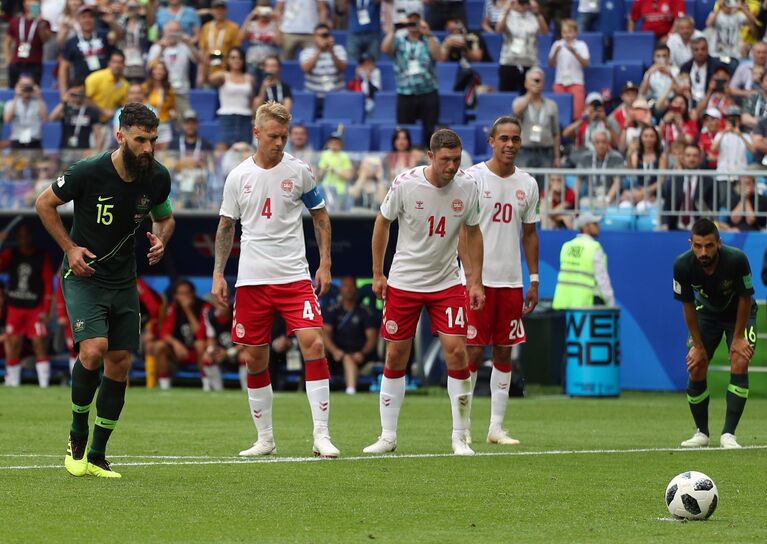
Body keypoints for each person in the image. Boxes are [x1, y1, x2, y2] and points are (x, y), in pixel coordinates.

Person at [35, 102, 175, 478]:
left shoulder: (157, 177)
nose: (148, 148)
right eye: (140, 139)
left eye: (153, 140)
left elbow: (166, 217)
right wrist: (69, 248)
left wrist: (161, 239)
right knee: (94, 350)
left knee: (120, 363)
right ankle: (77, 433)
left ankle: (97, 455)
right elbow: (44, 203)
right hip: (83, 276)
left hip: (123, 279)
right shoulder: (89, 171)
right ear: (120, 136)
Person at [211, 101, 339, 458]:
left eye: (284, 136)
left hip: (294, 277)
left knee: (313, 343)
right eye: (273, 136)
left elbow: (321, 217)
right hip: (252, 281)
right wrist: (219, 274)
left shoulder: (299, 171)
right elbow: (226, 226)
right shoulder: (238, 176)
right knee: (254, 358)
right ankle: (265, 439)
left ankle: (321, 436)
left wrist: (324, 262)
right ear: (256, 133)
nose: (279, 143)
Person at [363, 128, 485, 456]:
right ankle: (388, 436)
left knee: (457, 352)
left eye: (456, 160)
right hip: (404, 282)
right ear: (430, 156)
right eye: (445, 159)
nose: (451, 166)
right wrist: (378, 273)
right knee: (395, 355)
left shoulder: (468, 187)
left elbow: (473, 233)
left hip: (446, 282)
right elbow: (381, 223)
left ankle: (460, 436)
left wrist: (474, 280)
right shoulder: (406, 184)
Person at [459, 117, 538, 446]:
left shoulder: (528, 184)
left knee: (504, 352)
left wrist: (533, 279)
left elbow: (530, 234)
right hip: (478, 281)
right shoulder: (473, 178)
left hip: (510, 281)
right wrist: (470, 276)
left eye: (515, 139)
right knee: (473, 352)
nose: (510, 144)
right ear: (491, 141)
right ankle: (461, 426)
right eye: (503, 138)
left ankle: (496, 427)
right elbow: (463, 230)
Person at [673, 218, 756, 449]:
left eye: (709, 245)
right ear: (691, 243)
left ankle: (728, 434)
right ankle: (702, 433)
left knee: (739, 360)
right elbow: (688, 305)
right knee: (696, 365)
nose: (703, 252)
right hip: (707, 314)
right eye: (698, 246)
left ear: (719, 243)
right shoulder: (682, 265)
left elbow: (745, 298)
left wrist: (738, 337)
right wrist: (698, 347)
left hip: (740, 313)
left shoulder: (737, 259)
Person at [0, 222, 54, 388]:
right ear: (16, 237)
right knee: (13, 344)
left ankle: (44, 385)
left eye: (26, 235)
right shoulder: (11, 254)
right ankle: (13, 384)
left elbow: (47, 284)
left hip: (34, 308)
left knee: (38, 344)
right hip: (15, 307)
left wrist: (45, 310)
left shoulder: (41, 256)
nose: (23, 239)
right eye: (20, 235)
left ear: (31, 236)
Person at [381, 11, 441, 146]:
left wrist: (428, 34)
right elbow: (385, 49)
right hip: (405, 93)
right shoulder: (399, 40)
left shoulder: (430, 39)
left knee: (430, 131)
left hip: (428, 91)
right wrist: (393, 31)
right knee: (404, 130)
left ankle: (429, 159)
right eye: (410, 21)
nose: (413, 24)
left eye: (416, 21)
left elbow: (439, 56)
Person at [323, 276, 378, 394]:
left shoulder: (365, 312)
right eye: (346, 286)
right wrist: (334, 351)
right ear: (340, 289)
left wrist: (362, 353)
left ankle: (351, 390)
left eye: (351, 286)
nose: (349, 289)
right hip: (336, 354)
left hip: (359, 354)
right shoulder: (332, 310)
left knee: (349, 358)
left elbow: (372, 338)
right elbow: (325, 335)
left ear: (356, 289)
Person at [153, 279, 209, 390]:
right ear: (175, 296)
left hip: (199, 352)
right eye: (181, 294)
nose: (185, 297)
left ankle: (207, 385)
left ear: (193, 293)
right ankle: (165, 387)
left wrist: (188, 310)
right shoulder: (173, 308)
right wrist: (176, 344)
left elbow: (201, 334)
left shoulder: (204, 307)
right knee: (159, 346)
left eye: (188, 293)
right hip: (180, 352)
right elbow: (164, 333)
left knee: (200, 344)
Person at [551, 212, 615, 309]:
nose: (598, 227)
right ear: (586, 227)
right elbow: (602, 279)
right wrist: (611, 303)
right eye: (594, 224)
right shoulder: (594, 247)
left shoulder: (566, 246)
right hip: (585, 304)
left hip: (563, 303)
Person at [58, 5, 121, 99]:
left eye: (90, 16)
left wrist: (112, 22)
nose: (87, 20)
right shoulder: (72, 42)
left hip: (104, 87)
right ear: (78, 20)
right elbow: (63, 69)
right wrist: (63, 94)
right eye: (83, 17)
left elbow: (118, 36)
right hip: (82, 88)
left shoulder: (103, 35)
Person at [147, 19, 200, 124]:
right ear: (164, 32)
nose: (173, 33)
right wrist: (161, 49)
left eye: (176, 30)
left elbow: (198, 60)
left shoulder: (185, 46)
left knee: (184, 122)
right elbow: (150, 68)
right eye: (170, 30)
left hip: (181, 91)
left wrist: (190, 44)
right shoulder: (157, 47)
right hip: (162, 91)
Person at [512, 68, 561, 169]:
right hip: (524, 151)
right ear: (526, 83)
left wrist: (557, 157)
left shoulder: (552, 105)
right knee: (523, 184)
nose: (536, 83)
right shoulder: (518, 101)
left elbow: (556, 133)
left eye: (539, 80)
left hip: (546, 152)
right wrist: (531, 93)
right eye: (533, 80)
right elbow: (517, 112)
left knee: (544, 184)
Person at [209, 47, 256, 151]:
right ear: (228, 60)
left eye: (239, 58)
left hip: (245, 118)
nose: (236, 60)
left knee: (245, 152)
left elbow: (251, 101)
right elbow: (210, 79)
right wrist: (218, 64)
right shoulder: (223, 76)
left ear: (243, 60)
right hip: (226, 118)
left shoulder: (249, 78)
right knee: (222, 150)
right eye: (233, 57)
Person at [496, 0, 548, 93]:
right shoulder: (507, 15)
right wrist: (506, 11)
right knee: (506, 95)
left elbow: (545, 32)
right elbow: (498, 30)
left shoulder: (533, 16)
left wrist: (537, 13)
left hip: (529, 62)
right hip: (509, 61)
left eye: (525, 3)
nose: (523, 5)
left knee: (528, 97)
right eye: (520, 3)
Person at [662, 144, 715, 231]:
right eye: (688, 155)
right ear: (682, 158)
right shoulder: (673, 180)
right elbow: (667, 205)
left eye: (695, 156)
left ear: (700, 159)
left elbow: (713, 208)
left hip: (700, 231)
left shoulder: (709, 182)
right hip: (675, 229)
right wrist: (664, 224)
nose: (691, 159)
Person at [300, 23, 348, 113]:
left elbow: (342, 68)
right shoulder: (307, 51)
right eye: (321, 35)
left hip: (335, 94)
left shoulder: (339, 49)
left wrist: (332, 52)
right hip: (313, 95)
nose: (324, 37)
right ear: (315, 37)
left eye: (326, 35)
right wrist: (319, 51)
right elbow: (305, 69)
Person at [548, 18, 589, 122]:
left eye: (570, 32)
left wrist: (574, 52)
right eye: (564, 32)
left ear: (576, 33)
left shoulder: (581, 45)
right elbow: (550, 64)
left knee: (577, 114)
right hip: (560, 83)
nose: (567, 35)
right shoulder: (557, 44)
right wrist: (556, 52)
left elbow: (586, 64)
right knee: (559, 114)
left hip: (576, 83)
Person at [4, 0, 52, 88]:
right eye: (30, 1)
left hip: (34, 63)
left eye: (35, 1)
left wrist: (40, 23)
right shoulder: (15, 21)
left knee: (34, 89)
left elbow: (45, 40)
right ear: (24, 3)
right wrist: (9, 60)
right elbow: (7, 42)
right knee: (13, 89)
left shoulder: (44, 22)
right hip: (17, 62)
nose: (32, 3)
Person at [50, 82, 104, 151]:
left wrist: (97, 153)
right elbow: (52, 118)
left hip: (84, 150)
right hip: (65, 149)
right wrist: (64, 102)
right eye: (74, 94)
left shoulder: (91, 111)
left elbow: (98, 135)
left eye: (80, 93)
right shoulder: (66, 109)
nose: (77, 96)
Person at [198, 0, 242, 85]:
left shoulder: (233, 28)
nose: (219, 12)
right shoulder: (206, 27)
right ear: (212, 11)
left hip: (226, 70)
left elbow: (236, 50)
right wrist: (201, 74)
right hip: (208, 69)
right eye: (216, 9)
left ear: (226, 11)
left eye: (222, 9)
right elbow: (202, 50)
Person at [3, 75, 47, 149]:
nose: (26, 88)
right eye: (23, 85)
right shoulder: (11, 103)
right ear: (18, 86)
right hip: (17, 140)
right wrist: (16, 96)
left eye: (29, 85)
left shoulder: (39, 103)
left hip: (35, 141)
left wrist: (38, 97)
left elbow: (45, 120)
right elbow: (7, 120)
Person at [240, 2, 283, 77]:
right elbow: (241, 38)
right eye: (261, 9)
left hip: (269, 64)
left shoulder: (273, 25)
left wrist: (277, 20)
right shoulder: (251, 25)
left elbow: (279, 43)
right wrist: (250, 17)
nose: (264, 13)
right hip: (252, 61)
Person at [84, 49, 127, 124]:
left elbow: (123, 105)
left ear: (124, 65)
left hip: (107, 123)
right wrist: (103, 110)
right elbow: (83, 99)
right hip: (89, 122)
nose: (117, 65)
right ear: (109, 63)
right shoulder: (95, 78)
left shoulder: (124, 84)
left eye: (120, 62)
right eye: (114, 62)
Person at [317, 131, 354, 211]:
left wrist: (335, 169)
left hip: (340, 190)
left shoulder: (344, 156)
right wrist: (325, 169)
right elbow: (319, 174)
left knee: (337, 212)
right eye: (332, 142)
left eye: (337, 142)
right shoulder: (324, 155)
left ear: (341, 144)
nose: (334, 144)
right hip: (326, 188)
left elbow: (349, 175)